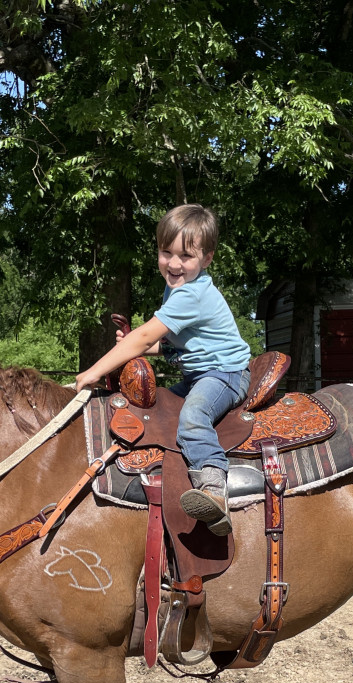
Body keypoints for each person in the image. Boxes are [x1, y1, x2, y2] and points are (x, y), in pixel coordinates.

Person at [75, 204, 251, 535]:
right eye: (166, 252)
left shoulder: (192, 295)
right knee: (159, 411)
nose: (173, 263)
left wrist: (94, 371)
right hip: (197, 374)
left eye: (185, 256)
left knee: (193, 417)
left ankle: (214, 486)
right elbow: (170, 343)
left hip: (224, 374)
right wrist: (137, 345)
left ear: (207, 258)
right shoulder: (176, 288)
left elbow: (145, 337)